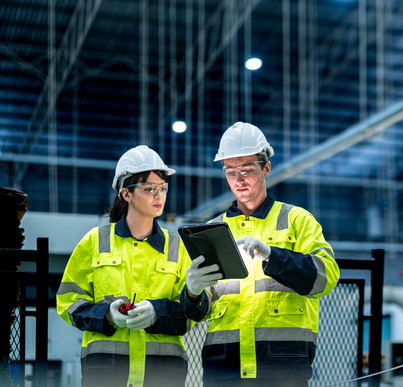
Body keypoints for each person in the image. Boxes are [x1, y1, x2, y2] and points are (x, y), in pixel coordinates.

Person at [181, 122, 340, 386]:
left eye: (246, 169)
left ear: (266, 168)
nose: (238, 179)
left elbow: (325, 278)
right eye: (230, 171)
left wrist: (272, 256)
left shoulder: (297, 220)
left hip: (282, 366)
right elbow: (197, 312)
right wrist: (192, 292)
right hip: (225, 367)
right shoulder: (212, 230)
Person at [57, 145, 192, 387]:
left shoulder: (177, 247)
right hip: (107, 371)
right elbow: (67, 302)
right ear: (126, 194)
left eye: (163, 188)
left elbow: (190, 312)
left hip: (162, 373)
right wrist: (106, 315)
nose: (159, 196)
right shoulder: (94, 241)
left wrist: (158, 313)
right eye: (149, 189)